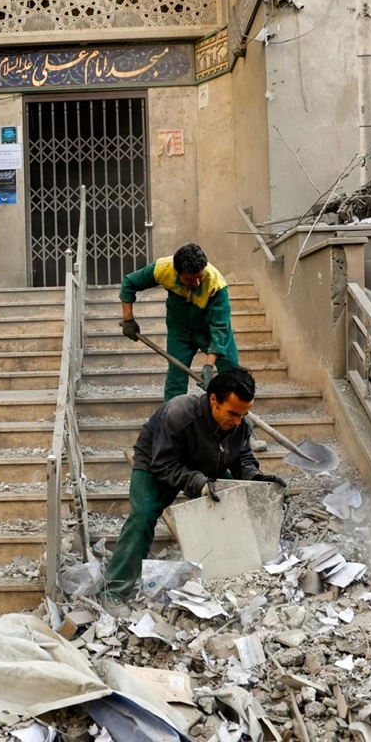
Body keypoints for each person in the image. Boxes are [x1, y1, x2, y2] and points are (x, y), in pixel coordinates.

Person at [100, 367, 287, 606]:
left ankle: (225, 576)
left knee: (230, 505)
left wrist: (258, 480)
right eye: (233, 413)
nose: (238, 421)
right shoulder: (178, 413)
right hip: (158, 462)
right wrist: (198, 482)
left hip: (207, 461)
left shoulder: (241, 424)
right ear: (213, 400)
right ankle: (114, 592)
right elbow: (164, 463)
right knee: (142, 517)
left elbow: (243, 460)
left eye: (244, 414)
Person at [119, 243, 240, 400]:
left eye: (200, 277)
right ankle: (173, 413)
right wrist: (128, 319)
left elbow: (220, 327)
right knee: (176, 380)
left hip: (210, 330)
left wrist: (208, 365)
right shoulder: (163, 269)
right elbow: (129, 283)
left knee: (232, 376)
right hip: (180, 330)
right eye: (190, 279)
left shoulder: (216, 284)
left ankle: (236, 413)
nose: (196, 283)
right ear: (177, 272)